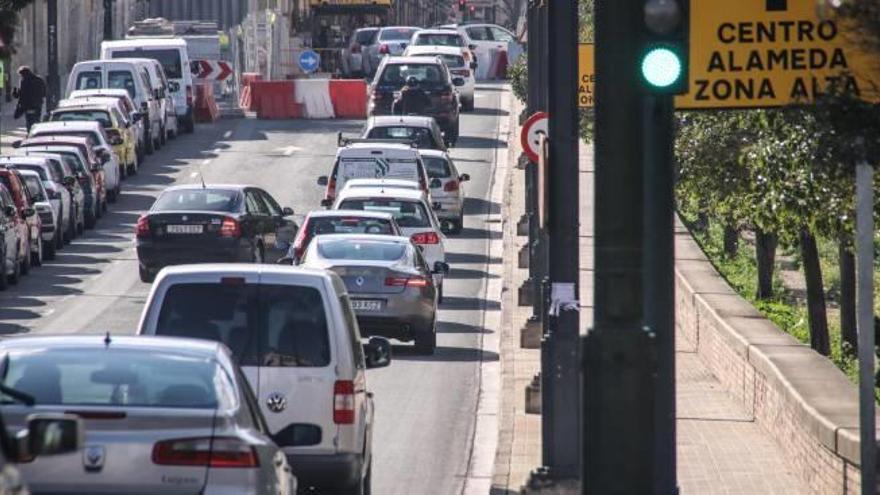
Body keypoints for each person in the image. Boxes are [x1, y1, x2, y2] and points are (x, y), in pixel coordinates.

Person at [12, 66, 46, 132]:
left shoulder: (23, 81)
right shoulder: (39, 79)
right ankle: (38, 133)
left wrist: (14, 92)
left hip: (27, 106)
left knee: (29, 121)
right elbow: (44, 93)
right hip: (37, 105)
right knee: (37, 120)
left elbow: (19, 95)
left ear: (22, 74)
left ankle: (30, 134)